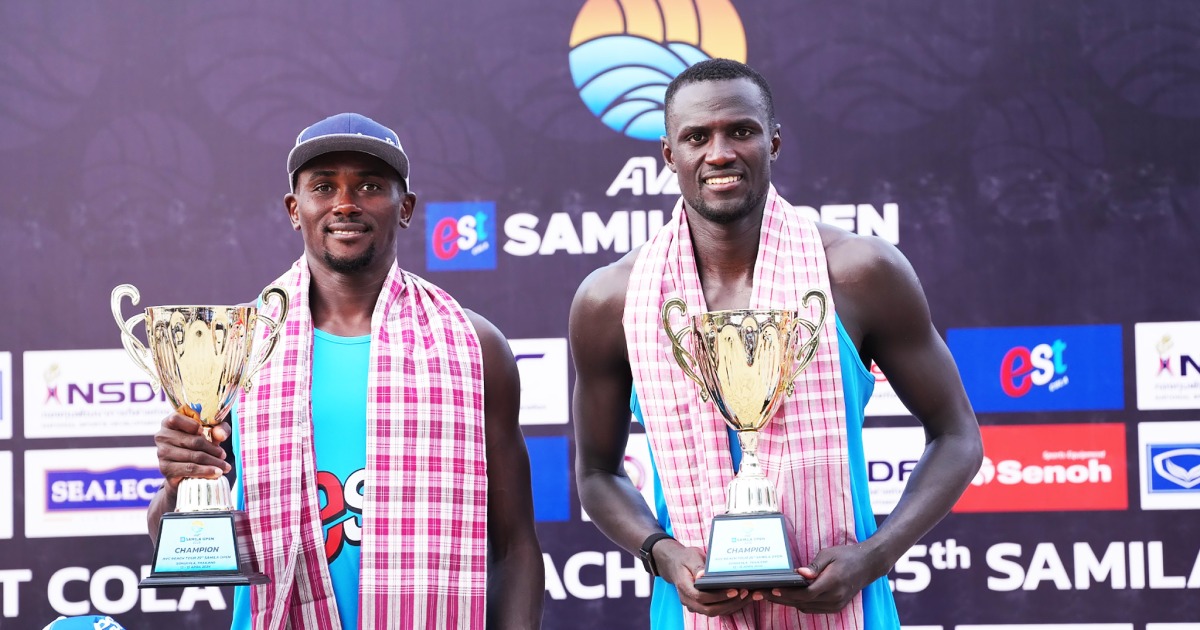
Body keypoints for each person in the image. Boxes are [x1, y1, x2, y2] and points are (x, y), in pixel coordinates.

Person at [570, 59, 983, 629]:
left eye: (740, 131)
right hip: (690, 615)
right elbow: (597, 473)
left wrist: (873, 557)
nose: (719, 153)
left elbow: (958, 435)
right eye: (697, 137)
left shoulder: (859, 272)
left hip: (849, 608)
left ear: (774, 142)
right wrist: (663, 556)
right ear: (669, 155)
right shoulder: (612, 299)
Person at [147, 113, 544, 629]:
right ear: (296, 209)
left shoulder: (476, 345)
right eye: (323, 186)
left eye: (370, 185)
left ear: (405, 208)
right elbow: (176, 545)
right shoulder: (238, 349)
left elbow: (515, 546)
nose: (346, 203)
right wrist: (182, 484)